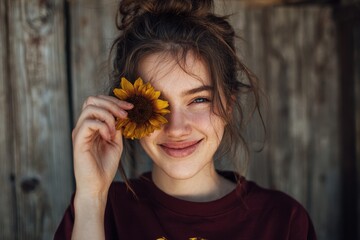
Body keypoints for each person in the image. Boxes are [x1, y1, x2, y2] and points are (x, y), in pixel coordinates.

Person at [54, 0, 317, 239]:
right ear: (128, 112)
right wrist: (91, 198)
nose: (176, 128)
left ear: (229, 104)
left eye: (199, 99)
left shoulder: (283, 221)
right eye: (154, 104)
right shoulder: (99, 212)